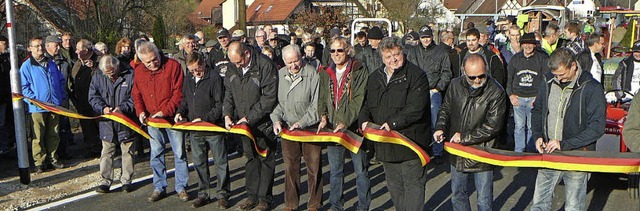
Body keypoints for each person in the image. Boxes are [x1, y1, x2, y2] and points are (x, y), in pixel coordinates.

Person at [359, 37, 430, 210]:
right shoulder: (375, 77)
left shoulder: (416, 75)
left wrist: (393, 123)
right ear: (382, 58)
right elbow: (367, 104)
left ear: (403, 52)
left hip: (410, 143)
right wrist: (363, 121)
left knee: (413, 187)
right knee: (395, 187)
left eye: (396, 55)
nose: (393, 60)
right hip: (386, 146)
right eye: (388, 57)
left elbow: (416, 108)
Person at [530, 48, 606, 211]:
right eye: (555, 75)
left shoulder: (592, 88)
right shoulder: (548, 80)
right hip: (549, 152)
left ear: (573, 66)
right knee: (539, 203)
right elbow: (537, 110)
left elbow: (597, 127)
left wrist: (564, 144)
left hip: (577, 155)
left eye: (562, 74)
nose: (559, 79)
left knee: (573, 206)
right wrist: (537, 135)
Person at [434, 53, 506, 211]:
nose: (477, 80)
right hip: (458, 151)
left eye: (481, 75)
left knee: (484, 200)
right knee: (458, 194)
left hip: (482, 151)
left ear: (486, 70)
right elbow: (445, 109)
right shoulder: (455, 84)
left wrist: (464, 137)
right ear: (464, 72)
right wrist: (440, 127)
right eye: (472, 77)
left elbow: (493, 126)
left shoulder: (496, 91)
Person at [317, 36, 371, 211]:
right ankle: (336, 205)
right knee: (335, 171)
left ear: (348, 50)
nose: (336, 54)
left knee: (361, 171)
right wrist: (323, 115)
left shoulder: (359, 69)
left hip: (354, 128)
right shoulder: (326, 72)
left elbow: (358, 100)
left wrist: (345, 121)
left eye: (339, 50)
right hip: (333, 128)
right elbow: (322, 97)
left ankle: (363, 207)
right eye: (332, 50)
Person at [131, 41, 189, 202]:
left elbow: (179, 93)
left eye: (154, 59)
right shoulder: (139, 72)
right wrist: (140, 111)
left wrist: (165, 111)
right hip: (152, 120)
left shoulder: (173, 66)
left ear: (158, 54)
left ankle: (181, 187)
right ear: (141, 61)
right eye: (147, 62)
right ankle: (159, 187)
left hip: (172, 119)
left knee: (179, 153)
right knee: (156, 154)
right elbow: (136, 94)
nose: (152, 64)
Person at [224, 41, 278, 211]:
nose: (236, 66)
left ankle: (264, 199)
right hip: (243, 123)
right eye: (234, 63)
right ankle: (252, 196)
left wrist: (250, 117)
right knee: (251, 159)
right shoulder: (232, 67)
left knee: (266, 160)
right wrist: (227, 114)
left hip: (263, 123)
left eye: (239, 62)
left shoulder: (264, 65)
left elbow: (269, 97)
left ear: (247, 53)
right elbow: (229, 92)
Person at [270, 44, 322, 211]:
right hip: (288, 130)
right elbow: (277, 103)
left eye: (296, 61)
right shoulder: (280, 75)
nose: (293, 65)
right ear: (284, 61)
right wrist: (276, 120)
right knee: (291, 168)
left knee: (313, 167)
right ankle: (291, 204)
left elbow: (316, 106)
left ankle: (314, 204)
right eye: (289, 62)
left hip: (309, 128)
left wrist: (302, 122)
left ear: (301, 58)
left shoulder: (312, 74)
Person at [174, 53, 229, 208]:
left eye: (198, 69)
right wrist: (180, 112)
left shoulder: (214, 78)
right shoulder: (189, 79)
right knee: (199, 163)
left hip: (212, 128)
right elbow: (185, 100)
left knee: (221, 163)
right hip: (195, 129)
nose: (196, 73)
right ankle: (203, 193)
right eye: (192, 70)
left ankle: (223, 194)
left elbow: (219, 104)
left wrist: (206, 119)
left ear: (203, 63)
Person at [405, 25, 452, 164]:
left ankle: (438, 151)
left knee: (435, 122)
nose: (426, 40)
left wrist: (439, 87)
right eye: (423, 37)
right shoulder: (413, 52)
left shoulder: (440, 52)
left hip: (433, 91)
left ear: (432, 37)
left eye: (428, 37)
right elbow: (408, 70)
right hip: (416, 92)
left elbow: (446, 72)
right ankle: (419, 150)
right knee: (417, 122)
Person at [88, 55, 136, 193]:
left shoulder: (130, 75)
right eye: (107, 74)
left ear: (117, 67)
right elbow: (92, 97)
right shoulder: (97, 76)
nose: (111, 76)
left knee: (128, 151)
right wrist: (102, 108)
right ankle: (105, 180)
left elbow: (135, 97)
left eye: (113, 73)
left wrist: (123, 108)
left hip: (126, 120)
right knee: (107, 152)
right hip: (106, 122)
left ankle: (126, 180)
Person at [20, 37, 67, 173]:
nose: (40, 49)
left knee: (54, 133)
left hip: (54, 105)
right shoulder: (27, 66)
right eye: (36, 46)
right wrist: (34, 100)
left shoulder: (51, 63)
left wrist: (60, 96)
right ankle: (40, 161)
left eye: (41, 46)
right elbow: (24, 87)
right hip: (38, 107)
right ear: (30, 48)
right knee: (38, 135)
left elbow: (60, 80)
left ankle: (53, 158)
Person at [506, 33, 550, 152]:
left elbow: (545, 80)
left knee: (532, 127)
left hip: (533, 98)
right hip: (518, 98)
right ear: (521, 45)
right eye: (525, 43)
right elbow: (509, 79)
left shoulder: (542, 59)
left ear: (534, 45)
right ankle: (519, 152)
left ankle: (532, 152)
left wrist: (539, 98)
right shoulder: (515, 59)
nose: (528, 46)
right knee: (519, 127)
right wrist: (510, 95)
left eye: (530, 43)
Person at [43, 35, 74, 160]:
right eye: (56, 45)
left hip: (63, 98)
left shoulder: (64, 61)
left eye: (58, 45)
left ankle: (63, 151)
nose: (58, 48)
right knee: (50, 129)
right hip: (47, 101)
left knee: (64, 126)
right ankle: (50, 155)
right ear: (48, 46)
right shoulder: (43, 62)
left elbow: (69, 78)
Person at [72, 39, 101, 157]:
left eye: (78, 49)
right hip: (82, 101)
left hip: (96, 101)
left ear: (86, 50)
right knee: (87, 126)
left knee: (99, 125)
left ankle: (105, 147)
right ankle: (92, 148)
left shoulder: (99, 60)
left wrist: (95, 67)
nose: (76, 51)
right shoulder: (78, 63)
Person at [0, 35, 11, 155]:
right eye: (4, 43)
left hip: (5, 96)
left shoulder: (6, 58)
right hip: (2, 96)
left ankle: (5, 146)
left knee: (4, 123)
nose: (6, 46)